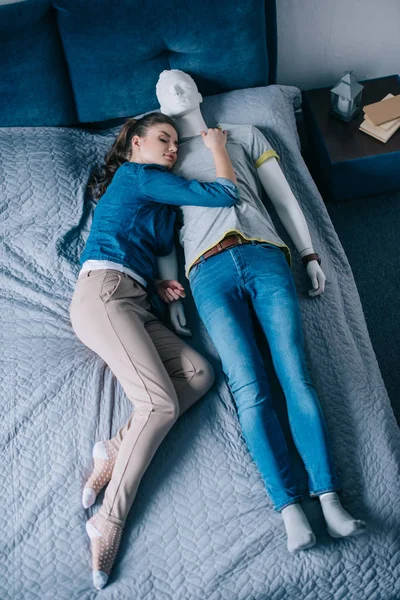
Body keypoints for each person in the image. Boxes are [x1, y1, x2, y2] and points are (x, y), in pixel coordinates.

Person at [152, 69, 367, 553]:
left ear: (201, 90)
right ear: (160, 107)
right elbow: (166, 231)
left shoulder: (246, 136)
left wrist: (310, 253)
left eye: (181, 78)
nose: (173, 83)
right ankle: (289, 508)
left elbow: (285, 198)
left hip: (266, 255)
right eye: (164, 87)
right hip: (206, 273)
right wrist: (174, 290)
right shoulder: (162, 159)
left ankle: (329, 497)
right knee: (249, 387)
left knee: (296, 376)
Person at [69, 112, 240, 589]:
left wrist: (164, 281)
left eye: (177, 144)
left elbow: (159, 247)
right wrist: (218, 146)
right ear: (133, 145)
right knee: (159, 403)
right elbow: (226, 193)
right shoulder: (137, 175)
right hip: (103, 293)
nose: (173, 149)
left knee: (201, 373)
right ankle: (109, 521)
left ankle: (114, 448)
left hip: (136, 300)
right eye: (163, 140)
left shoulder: (157, 198)